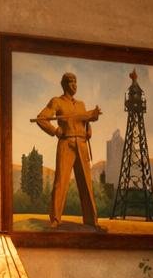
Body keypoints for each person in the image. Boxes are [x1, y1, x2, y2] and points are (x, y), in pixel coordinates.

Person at [32, 71, 101, 230]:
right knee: (61, 181)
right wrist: (55, 131)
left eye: (76, 82)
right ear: (64, 85)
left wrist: (89, 130)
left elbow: (85, 122)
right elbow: (41, 118)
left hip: (82, 145)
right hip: (66, 144)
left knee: (86, 183)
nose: (74, 85)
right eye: (71, 82)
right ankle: (55, 219)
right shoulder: (57, 101)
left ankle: (91, 220)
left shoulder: (81, 105)